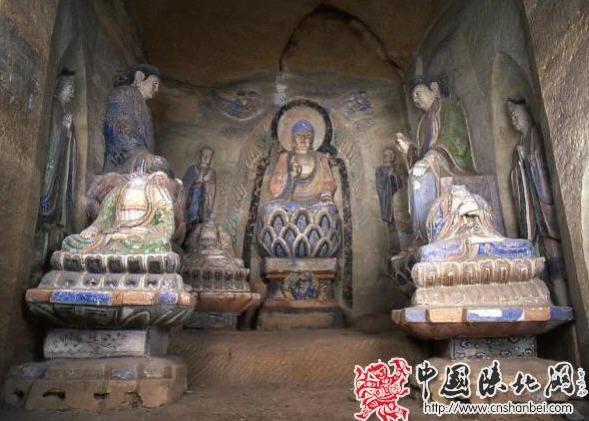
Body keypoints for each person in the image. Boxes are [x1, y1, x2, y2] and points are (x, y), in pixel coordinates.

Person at [394, 76, 476, 241]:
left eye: (418, 93)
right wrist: (409, 149)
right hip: (434, 164)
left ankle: (429, 237)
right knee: (400, 195)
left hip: (451, 164)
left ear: (433, 89)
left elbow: (453, 138)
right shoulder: (422, 122)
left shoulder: (448, 106)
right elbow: (422, 155)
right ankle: (419, 238)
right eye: (413, 98)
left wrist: (429, 160)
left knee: (420, 179)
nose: (415, 100)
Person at [507, 97, 568, 305]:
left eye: (517, 115)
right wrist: (520, 165)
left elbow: (542, 165)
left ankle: (565, 305)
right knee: (540, 265)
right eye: (511, 117)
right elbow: (517, 178)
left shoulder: (535, 136)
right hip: (533, 216)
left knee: (556, 265)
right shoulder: (519, 144)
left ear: (527, 114)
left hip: (545, 214)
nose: (514, 119)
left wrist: (527, 159)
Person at [63, 171, 174, 254]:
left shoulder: (158, 192)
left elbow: (166, 226)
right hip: (111, 238)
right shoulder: (118, 190)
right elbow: (104, 218)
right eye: (136, 172)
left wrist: (145, 231)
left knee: (159, 244)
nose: (139, 174)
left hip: (137, 240)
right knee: (70, 242)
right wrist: (94, 228)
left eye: (146, 172)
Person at [35, 70, 78, 263]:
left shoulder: (63, 110)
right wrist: (64, 129)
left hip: (58, 167)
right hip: (49, 167)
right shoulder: (54, 106)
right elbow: (51, 136)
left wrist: (68, 132)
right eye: (70, 88)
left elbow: (66, 140)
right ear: (59, 87)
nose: (72, 94)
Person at [103, 64, 161, 173]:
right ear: (139, 77)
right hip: (122, 160)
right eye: (155, 84)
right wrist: (141, 154)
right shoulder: (123, 93)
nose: (157, 89)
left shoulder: (146, 109)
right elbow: (119, 128)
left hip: (141, 160)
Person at [269, 119, 336, 204]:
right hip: (289, 205)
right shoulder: (285, 157)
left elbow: (328, 182)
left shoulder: (321, 158)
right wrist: (290, 177)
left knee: (329, 209)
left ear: (312, 140)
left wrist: (326, 198)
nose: (303, 138)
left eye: (308, 135)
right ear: (293, 140)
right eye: (298, 135)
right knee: (271, 208)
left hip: (316, 206)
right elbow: (275, 189)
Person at [183, 147, 216, 235]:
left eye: (208, 156)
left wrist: (206, 183)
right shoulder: (192, 169)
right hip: (192, 199)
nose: (205, 158)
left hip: (204, 200)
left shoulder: (211, 173)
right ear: (200, 156)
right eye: (204, 155)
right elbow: (184, 186)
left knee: (201, 220)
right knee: (191, 217)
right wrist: (196, 181)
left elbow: (212, 191)